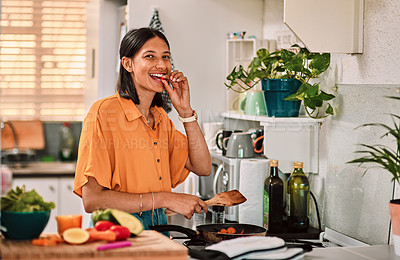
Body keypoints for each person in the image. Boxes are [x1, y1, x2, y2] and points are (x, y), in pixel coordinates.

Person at [73, 27, 211, 232]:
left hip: (159, 226)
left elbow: (203, 167)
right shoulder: (103, 113)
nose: (162, 65)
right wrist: (166, 199)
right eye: (150, 56)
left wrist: (185, 111)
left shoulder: (160, 117)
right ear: (128, 64)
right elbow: (92, 200)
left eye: (166, 57)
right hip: (117, 230)